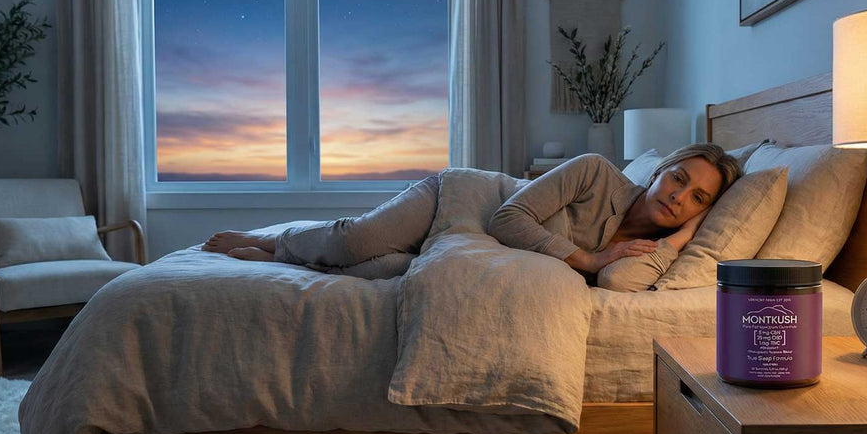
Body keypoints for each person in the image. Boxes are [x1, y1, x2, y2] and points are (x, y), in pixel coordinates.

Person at [201, 143, 742, 288]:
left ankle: (281, 257)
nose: (680, 196)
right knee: (353, 243)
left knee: (381, 272)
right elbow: (509, 220)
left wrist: (689, 232)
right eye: (679, 178)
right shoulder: (596, 171)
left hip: (464, 246)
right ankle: (275, 242)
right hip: (460, 200)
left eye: (699, 199)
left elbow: (618, 281)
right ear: (658, 170)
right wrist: (589, 257)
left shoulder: (651, 254)